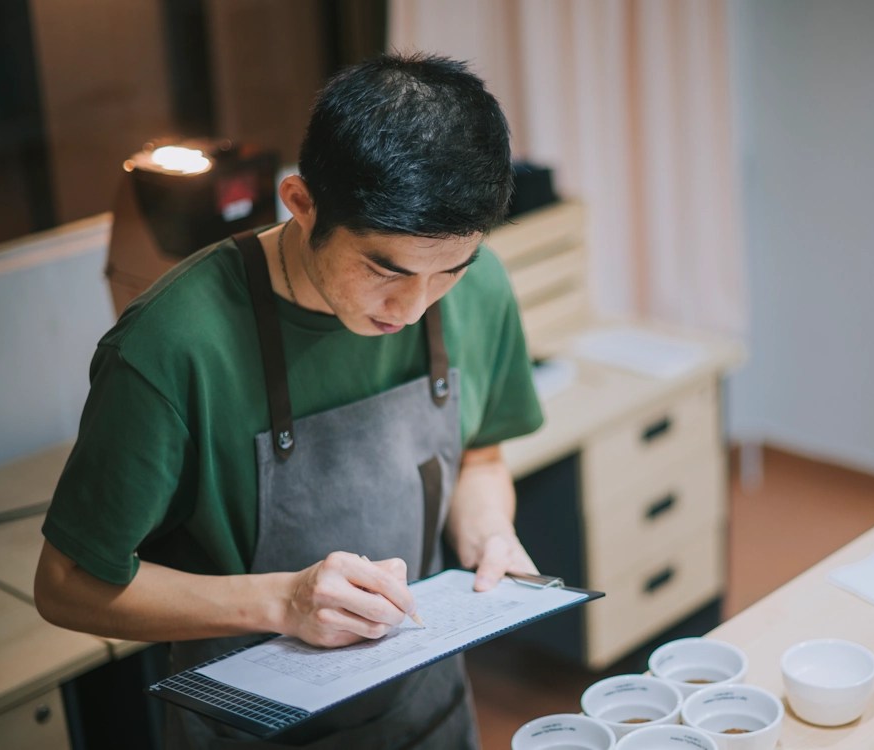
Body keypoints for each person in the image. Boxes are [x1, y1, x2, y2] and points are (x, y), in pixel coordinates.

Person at [33, 53, 544, 749]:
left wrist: (489, 537)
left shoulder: (477, 290)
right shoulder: (172, 347)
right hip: (245, 725)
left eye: (448, 271)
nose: (414, 304)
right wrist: (282, 601)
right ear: (301, 204)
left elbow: (481, 453)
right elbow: (65, 585)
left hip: (424, 706)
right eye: (382, 268)